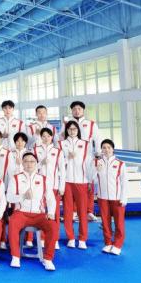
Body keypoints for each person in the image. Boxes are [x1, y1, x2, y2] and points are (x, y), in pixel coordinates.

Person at [6, 153, 57, 271]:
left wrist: (51, 212)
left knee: (53, 226)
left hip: (39, 214)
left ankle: (48, 259)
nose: (29, 164)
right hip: (21, 212)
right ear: (22, 163)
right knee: (13, 223)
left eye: (32, 161)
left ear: (36, 164)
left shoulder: (43, 179)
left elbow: (50, 198)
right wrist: (23, 196)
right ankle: (15, 257)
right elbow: (9, 197)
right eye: (26, 161)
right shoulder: (15, 178)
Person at [60, 120, 93, 249]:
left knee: (82, 211)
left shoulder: (85, 144)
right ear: (67, 130)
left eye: (74, 129)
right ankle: (71, 238)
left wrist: (89, 180)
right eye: (70, 129)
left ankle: (82, 239)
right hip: (67, 181)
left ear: (78, 130)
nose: (72, 131)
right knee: (68, 211)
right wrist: (67, 158)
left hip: (81, 181)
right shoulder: (61, 144)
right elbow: (59, 163)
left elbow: (89, 163)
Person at [68, 101, 101, 222]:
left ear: (83, 110)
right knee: (73, 183)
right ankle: (74, 211)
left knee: (89, 183)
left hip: (87, 158)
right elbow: (61, 138)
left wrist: (98, 153)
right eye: (74, 109)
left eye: (79, 109)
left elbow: (97, 139)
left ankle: (89, 211)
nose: (77, 111)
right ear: (71, 111)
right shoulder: (67, 124)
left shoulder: (91, 124)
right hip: (73, 158)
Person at [93, 139, 127, 255]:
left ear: (113, 149)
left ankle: (117, 245)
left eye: (109, 147)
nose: (106, 150)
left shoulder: (120, 164)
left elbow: (124, 182)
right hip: (102, 197)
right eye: (104, 148)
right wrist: (96, 171)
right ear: (101, 150)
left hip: (116, 197)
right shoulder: (97, 162)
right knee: (105, 222)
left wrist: (123, 198)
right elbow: (92, 179)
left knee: (119, 222)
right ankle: (108, 243)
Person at [34, 128, 65, 249]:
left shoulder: (58, 151)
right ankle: (42, 238)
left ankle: (54, 239)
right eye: (44, 136)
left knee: (54, 213)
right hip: (40, 187)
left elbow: (62, 170)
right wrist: (41, 163)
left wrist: (61, 186)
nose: (46, 138)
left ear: (52, 137)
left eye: (48, 136)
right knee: (42, 213)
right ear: (41, 137)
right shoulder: (36, 150)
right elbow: (31, 167)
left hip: (54, 186)